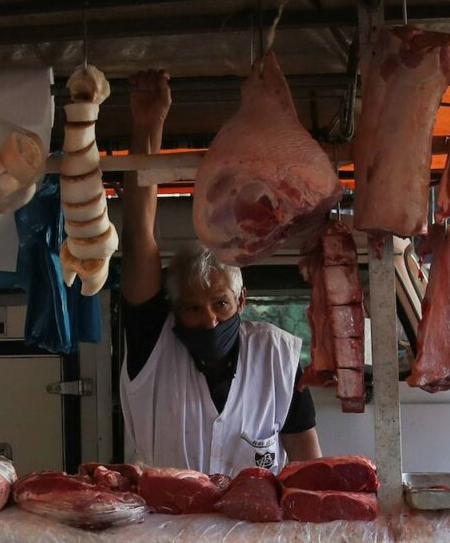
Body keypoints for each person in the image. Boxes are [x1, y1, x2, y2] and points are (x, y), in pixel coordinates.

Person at [118, 69, 321, 477]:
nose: (209, 320)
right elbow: (139, 235)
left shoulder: (278, 357)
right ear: (172, 307)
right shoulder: (151, 347)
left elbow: (307, 459)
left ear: (241, 299)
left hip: (253, 538)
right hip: (164, 532)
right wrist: (148, 126)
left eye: (220, 303)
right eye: (192, 308)